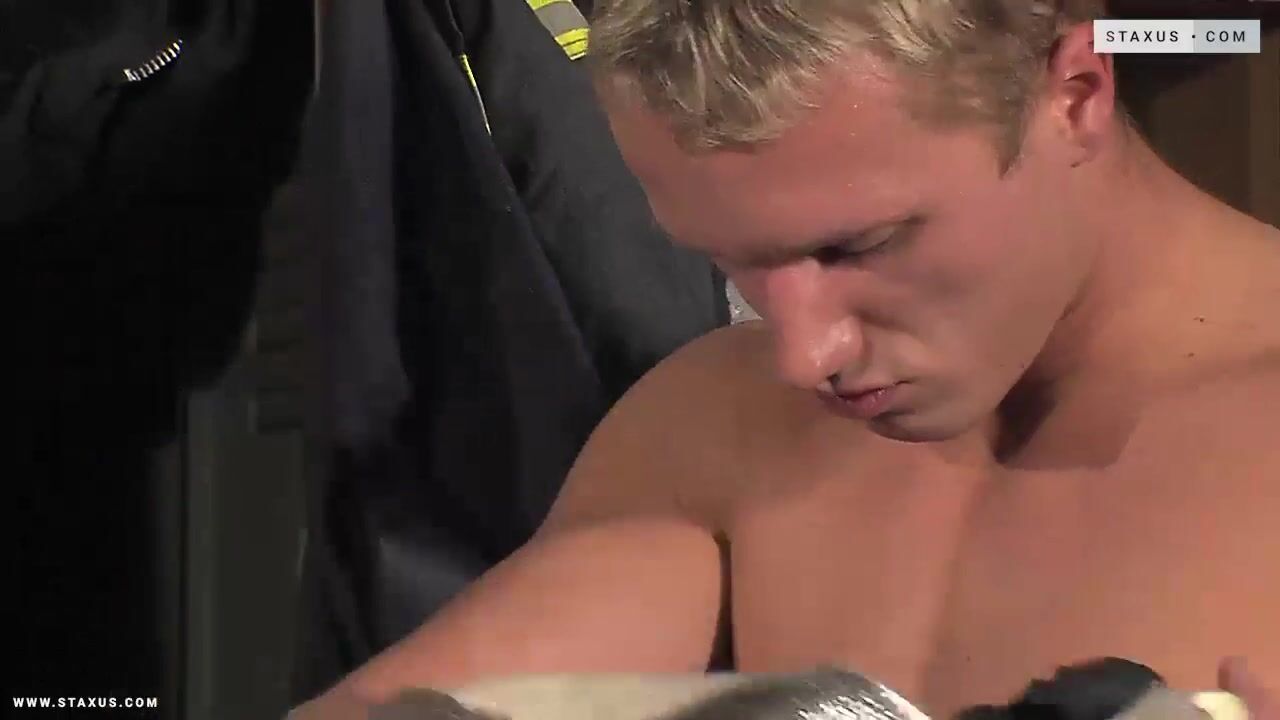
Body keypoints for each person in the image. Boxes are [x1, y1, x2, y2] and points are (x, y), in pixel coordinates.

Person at [295, 0, 1279, 717]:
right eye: (735, 263)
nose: (803, 357)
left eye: (858, 247)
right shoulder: (715, 424)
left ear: (1074, 95)